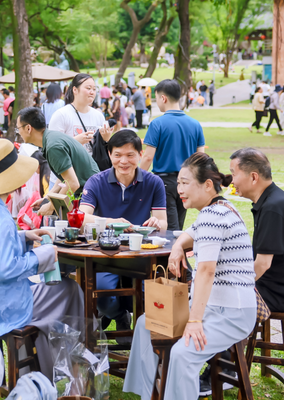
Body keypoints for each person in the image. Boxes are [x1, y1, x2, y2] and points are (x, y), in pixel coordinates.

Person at [123, 153, 256, 399]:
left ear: (207, 185)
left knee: (183, 354)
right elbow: (188, 233)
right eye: (179, 182)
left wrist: (194, 322)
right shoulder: (217, 209)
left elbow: (206, 270)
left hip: (231, 312)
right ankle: (146, 394)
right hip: (210, 307)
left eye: (185, 183)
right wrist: (176, 247)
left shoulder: (214, 216)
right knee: (144, 324)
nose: (179, 189)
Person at [0, 138, 84, 380]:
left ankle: (42, 367)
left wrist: (24, 235)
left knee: (57, 289)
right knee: (69, 289)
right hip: (3, 306)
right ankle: (67, 367)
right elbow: (6, 269)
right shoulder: (1, 215)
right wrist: (43, 255)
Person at [79, 130, 167, 329]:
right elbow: (82, 218)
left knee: (152, 296)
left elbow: (163, 222)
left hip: (141, 253)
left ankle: (143, 337)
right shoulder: (96, 182)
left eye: (130, 155)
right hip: (105, 253)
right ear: (109, 155)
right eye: (118, 155)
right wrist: (111, 221)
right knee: (101, 295)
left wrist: (156, 222)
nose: (123, 161)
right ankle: (119, 316)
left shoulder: (154, 182)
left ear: (140, 155)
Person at [229, 148, 284, 314]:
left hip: (278, 294)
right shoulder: (270, 201)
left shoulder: (274, 207)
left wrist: (235, 287)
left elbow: (262, 264)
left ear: (253, 177)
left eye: (234, 174)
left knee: (214, 299)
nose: (232, 181)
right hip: (272, 286)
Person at [140, 79, 206, 231]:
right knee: (177, 227)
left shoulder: (157, 124)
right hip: (187, 182)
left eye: (157, 99)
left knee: (169, 230)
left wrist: (138, 178)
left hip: (164, 183)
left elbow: (148, 157)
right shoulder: (195, 124)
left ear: (163, 98)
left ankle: (177, 254)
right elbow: (201, 158)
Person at [15, 107, 100, 218]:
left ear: (28, 128)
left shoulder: (52, 147)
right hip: (89, 192)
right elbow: (64, 176)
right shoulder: (51, 138)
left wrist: (51, 206)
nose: (18, 132)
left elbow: (73, 183)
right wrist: (47, 198)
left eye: (18, 128)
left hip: (89, 195)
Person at [48, 73, 110, 155]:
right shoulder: (61, 115)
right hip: (71, 167)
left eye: (94, 89)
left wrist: (106, 139)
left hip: (95, 166)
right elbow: (52, 148)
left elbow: (104, 149)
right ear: (75, 90)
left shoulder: (98, 116)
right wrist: (74, 141)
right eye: (88, 88)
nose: (92, 92)